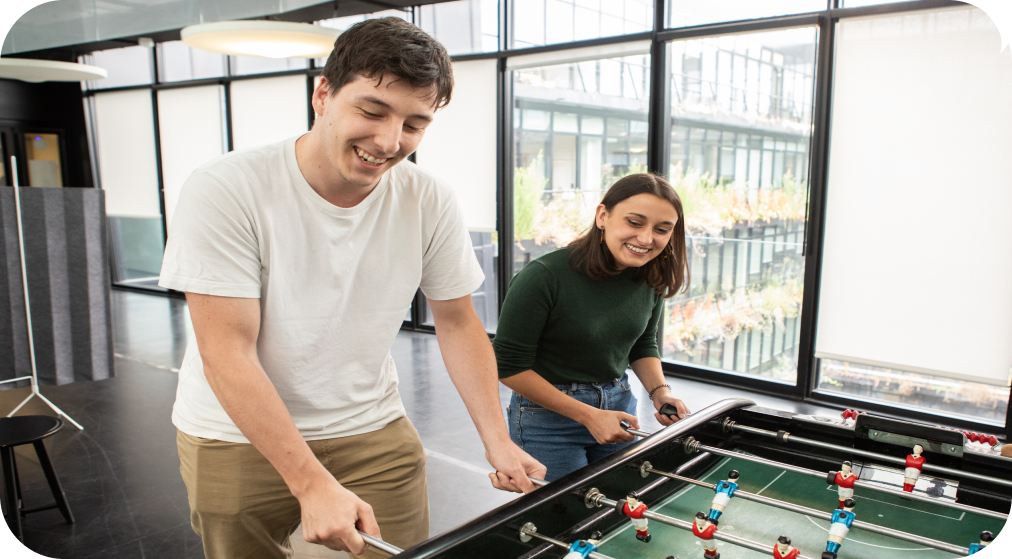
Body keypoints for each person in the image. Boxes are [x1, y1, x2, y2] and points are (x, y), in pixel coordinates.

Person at [159, 17, 544, 559]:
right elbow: (227, 350)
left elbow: (457, 321)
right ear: (323, 93)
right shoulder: (226, 188)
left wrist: (498, 439)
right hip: (234, 434)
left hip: (371, 427)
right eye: (371, 111)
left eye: (415, 124)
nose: (389, 142)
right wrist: (310, 481)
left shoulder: (427, 199)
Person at [494, 173, 692, 482]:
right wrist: (589, 415)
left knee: (616, 509)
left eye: (662, 229)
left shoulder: (650, 277)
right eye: (635, 222)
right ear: (603, 216)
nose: (646, 238)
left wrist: (659, 392)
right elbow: (507, 367)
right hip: (547, 419)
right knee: (563, 520)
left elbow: (642, 344)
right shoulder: (544, 276)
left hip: (619, 406)